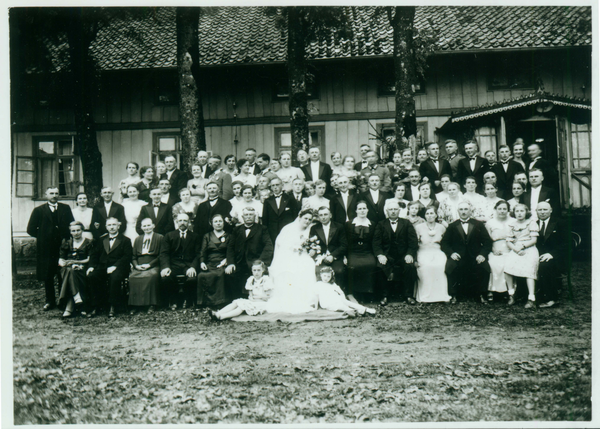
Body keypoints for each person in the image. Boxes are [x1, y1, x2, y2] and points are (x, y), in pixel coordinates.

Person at [265, 209, 321, 314]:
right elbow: (281, 243)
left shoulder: (310, 230)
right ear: (300, 217)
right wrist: (294, 247)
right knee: (290, 268)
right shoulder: (288, 228)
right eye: (305, 218)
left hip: (303, 254)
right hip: (288, 254)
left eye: (310, 219)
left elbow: (312, 243)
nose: (307, 221)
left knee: (308, 264)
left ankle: (307, 298)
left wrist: (310, 248)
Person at [441, 201, 492, 304]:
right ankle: (453, 295)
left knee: (484, 266)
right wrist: (452, 253)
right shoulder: (452, 226)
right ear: (458, 211)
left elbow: (487, 242)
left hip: (475, 256)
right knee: (451, 266)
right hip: (459, 256)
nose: (463, 212)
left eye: (466, 209)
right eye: (461, 209)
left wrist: (482, 255)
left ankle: (482, 294)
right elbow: (444, 243)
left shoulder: (479, 224)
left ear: (470, 211)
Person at [373, 200, 418, 306]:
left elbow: (413, 241)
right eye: (391, 210)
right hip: (387, 255)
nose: (393, 212)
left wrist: (410, 254)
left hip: (403, 255)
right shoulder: (381, 224)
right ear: (387, 211)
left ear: (399, 211)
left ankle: (408, 296)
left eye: (395, 209)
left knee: (410, 266)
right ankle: (384, 296)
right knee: (380, 266)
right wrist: (380, 255)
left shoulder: (406, 223)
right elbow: (376, 242)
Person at [86, 217, 132, 317]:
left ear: (119, 226)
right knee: (92, 276)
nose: (112, 227)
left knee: (114, 278)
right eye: (109, 225)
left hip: (120, 267)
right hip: (103, 266)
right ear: (106, 227)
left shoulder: (125, 240)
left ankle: (113, 306)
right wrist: (91, 266)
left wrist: (115, 266)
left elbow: (127, 257)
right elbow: (94, 254)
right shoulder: (101, 239)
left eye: (114, 225)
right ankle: (96, 305)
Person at [226, 207, 274, 300]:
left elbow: (268, 247)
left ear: (255, 216)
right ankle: (236, 300)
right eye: (246, 215)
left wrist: (260, 263)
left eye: (251, 215)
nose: (248, 217)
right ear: (242, 217)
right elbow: (230, 247)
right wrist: (230, 263)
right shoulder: (237, 229)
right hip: (239, 262)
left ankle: (250, 300)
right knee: (230, 275)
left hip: (254, 262)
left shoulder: (262, 229)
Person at [160, 213, 201, 310]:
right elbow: (164, 253)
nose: (182, 223)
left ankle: (187, 300)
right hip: (173, 265)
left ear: (189, 222)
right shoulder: (169, 235)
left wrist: (193, 267)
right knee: (166, 277)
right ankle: (174, 300)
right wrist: (166, 267)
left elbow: (198, 254)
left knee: (192, 279)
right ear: (176, 222)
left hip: (188, 265)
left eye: (185, 221)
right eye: (180, 221)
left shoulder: (195, 236)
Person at [504, 204, 540, 308]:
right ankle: (511, 294)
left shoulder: (531, 223)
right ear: (514, 213)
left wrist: (522, 246)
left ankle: (531, 298)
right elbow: (509, 241)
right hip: (516, 249)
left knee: (529, 271)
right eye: (517, 211)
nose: (519, 213)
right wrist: (516, 249)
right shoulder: (511, 224)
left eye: (522, 211)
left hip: (529, 248)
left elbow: (534, 240)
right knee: (507, 268)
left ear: (526, 212)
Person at [414, 207, 451, 303]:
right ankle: (425, 296)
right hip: (423, 251)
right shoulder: (418, 227)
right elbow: (414, 243)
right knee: (426, 267)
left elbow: (446, 243)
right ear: (424, 216)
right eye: (427, 214)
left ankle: (440, 296)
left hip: (437, 252)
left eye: (431, 213)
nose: (429, 216)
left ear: (436, 215)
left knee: (439, 266)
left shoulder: (441, 227)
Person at [535, 202, 568, 308]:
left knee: (545, 265)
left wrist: (552, 254)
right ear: (536, 211)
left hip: (556, 257)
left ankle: (551, 298)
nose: (542, 212)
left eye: (545, 209)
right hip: (537, 255)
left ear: (551, 210)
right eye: (540, 210)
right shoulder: (533, 224)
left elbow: (567, 243)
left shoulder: (560, 223)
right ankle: (528, 295)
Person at [128, 217, 163, 314]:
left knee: (150, 276)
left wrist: (150, 265)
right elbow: (134, 256)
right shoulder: (138, 239)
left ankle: (151, 304)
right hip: (139, 265)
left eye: (149, 225)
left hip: (153, 264)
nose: (147, 227)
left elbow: (161, 255)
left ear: (153, 226)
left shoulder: (160, 238)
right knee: (133, 277)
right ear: (141, 227)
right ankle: (136, 305)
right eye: (144, 226)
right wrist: (136, 266)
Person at [58, 221, 93, 317]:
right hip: (67, 269)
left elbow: (88, 259)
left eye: (78, 230)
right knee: (70, 270)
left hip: (82, 268)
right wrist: (65, 264)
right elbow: (61, 259)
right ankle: (77, 299)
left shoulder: (88, 242)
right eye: (73, 231)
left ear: (82, 230)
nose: (76, 233)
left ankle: (69, 308)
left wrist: (76, 263)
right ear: (70, 232)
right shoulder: (67, 243)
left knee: (72, 272)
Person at [345, 201, 377, 303]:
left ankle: (367, 294)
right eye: (360, 209)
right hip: (353, 252)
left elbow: (375, 241)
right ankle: (356, 294)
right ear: (356, 211)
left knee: (371, 264)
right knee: (354, 266)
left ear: (367, 210)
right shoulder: (349, 224)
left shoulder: (373, 224)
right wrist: (344, 256)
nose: (362, 211)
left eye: (364, 208)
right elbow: (345, 242)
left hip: (367, 252)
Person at [197, 214, 231, 310]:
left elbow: (231, 251)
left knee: (220, 275)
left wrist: (226, 260)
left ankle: (219, 302)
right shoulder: (207, 236)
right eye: (215, 222)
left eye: (220, 221)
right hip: (210, 262)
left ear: (223, 223)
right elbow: (203, 251)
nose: (218, 223)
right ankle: (204, 302)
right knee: (202, 275)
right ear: (211, 224)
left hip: (223, 262)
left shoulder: (229, 236)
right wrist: (202, 262)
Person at [310, 207, 347, 287]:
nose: (323, 217)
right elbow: (312, 245)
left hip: (335, 256)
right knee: (318, 272)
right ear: (318, 217)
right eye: (321, 215)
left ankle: (338, 293)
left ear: (330, 215)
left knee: (339, 271)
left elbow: (344, 245)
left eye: (325, 214)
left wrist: (332, 256)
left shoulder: (339, 227)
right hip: (320, 257)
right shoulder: (314, 228)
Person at [485, 200, 512, 300]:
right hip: (495, 249)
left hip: (510, 249)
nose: (502, 211)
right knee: (493, 263)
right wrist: (493, 250)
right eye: (499, 209)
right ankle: (492, 290)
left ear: (508, 210)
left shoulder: (513, 221)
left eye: (505, 209)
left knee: (508, 263)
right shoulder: (490, 222)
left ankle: (509, 291)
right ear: (495, 210)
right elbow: (487, 239)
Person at [262, 177, 299, 244]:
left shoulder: (290, 199)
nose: (275, 187)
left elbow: (295, 216)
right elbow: (265, 218)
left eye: (277, 185)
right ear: (271, 187)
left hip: (287, 231)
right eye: (273, 185)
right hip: (272, 232)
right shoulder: (267, 201)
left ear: (282, 185)